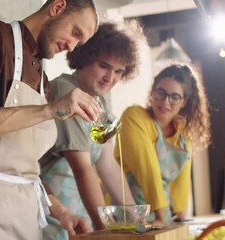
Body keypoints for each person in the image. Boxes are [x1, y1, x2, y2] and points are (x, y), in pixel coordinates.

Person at [0, 0, 101, 239]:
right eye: (75, 32)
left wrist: (62, 211)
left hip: (25, 215)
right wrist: (49, 110)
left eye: (80, 42)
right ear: (57, 7)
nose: (72, 46)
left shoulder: (42, 81)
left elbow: (23, 169)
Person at [39, 20, 145, 239]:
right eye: (104, 66)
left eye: (118, 71)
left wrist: (138, 220)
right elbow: (82, 168)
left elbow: (108, 166)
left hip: (81, 217)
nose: (110, 77)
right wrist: (104, 229)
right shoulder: (65, 91)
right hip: (53, 218)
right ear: (84, 57)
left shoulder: (101, 103)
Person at [115, 64, 211, 225]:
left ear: (184, 102)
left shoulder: (182, 135)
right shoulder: (134, 117)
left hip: (163, 218)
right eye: (161, 93)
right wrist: (159, 216)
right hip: (127, 214)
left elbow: (182, 183)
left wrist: (181, 220)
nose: (165, 102)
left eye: (174, 97)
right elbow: (147, 167)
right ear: (153, 92)